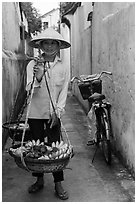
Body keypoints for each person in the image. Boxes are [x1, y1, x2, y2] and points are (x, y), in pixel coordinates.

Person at [26, 28, 71, 200]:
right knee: (36, 149)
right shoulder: (33, 65)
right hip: (36, 113)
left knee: (55, 149)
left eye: (53, 43)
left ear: (58, 46)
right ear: (41, 45)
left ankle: (58, 183)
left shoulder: (63, 66)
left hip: (53, 114)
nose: (50, 46)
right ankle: (39, 180)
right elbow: (28, 90)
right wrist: (38, 77)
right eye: (46, 42)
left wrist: (57, 112)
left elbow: (63, 91)